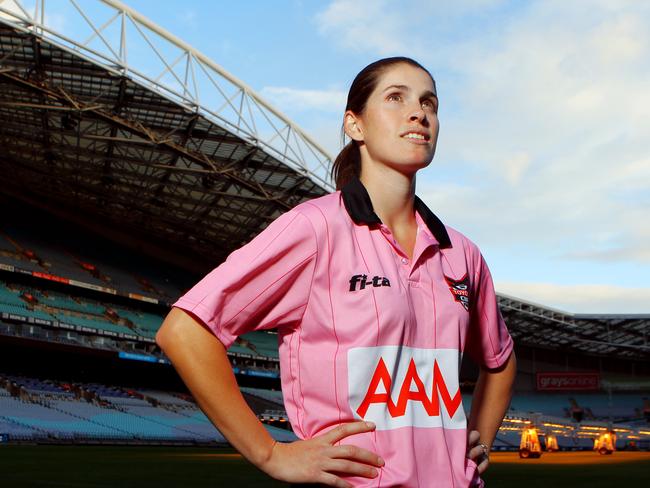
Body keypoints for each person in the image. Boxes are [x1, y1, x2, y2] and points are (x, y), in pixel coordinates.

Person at [156, 56, 517, 487]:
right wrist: (270, 453)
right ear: (355, 125)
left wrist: (480, 442)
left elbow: (500, 358)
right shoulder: (315, 228)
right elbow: (185, 331)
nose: (418, 112)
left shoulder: (462, 253)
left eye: (429, 103)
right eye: (395, 98)